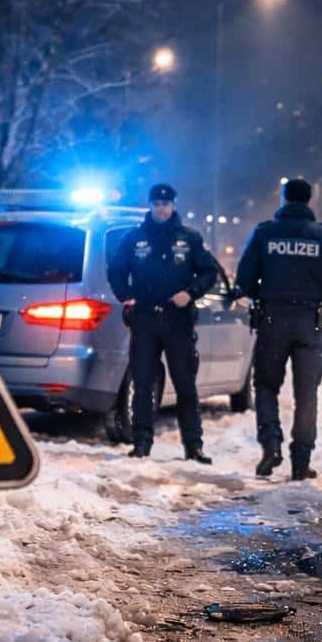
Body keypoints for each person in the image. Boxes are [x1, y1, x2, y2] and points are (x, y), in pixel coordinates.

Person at [236, 178, 322, 480]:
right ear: (309, 200)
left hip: (272, 320)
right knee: (307, 395)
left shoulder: (265, 233)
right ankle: (300, 462)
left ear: (283, 198)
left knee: (265, 386)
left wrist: (265, 291)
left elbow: (244, 278)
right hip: (309, 322)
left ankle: (270, 446)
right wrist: (317, 292)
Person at [106, 183, 220, 463]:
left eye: (165, 204)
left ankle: (194, 446)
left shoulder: (188, 238)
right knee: (143, 383)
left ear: (173, 205)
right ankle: (141, 442)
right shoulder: (135, 238)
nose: (161, 208)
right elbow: (116, 270)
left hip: (177, 320)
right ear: (150, 205)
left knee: (185, 385)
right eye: (156, 203)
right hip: (144, 318)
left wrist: (190, 293)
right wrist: (126, 296)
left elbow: (209, 271)